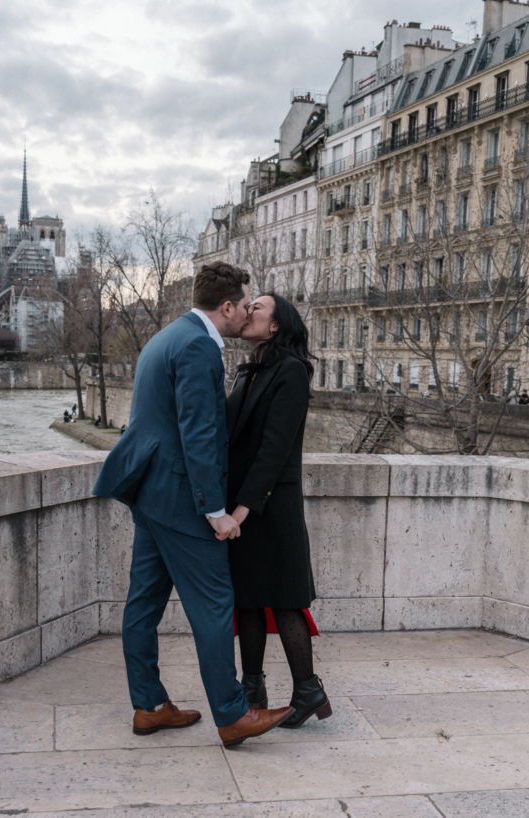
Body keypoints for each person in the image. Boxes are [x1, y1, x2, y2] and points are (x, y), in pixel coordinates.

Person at [91, 262, 294, 748]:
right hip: (182, 499)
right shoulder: (201, 346)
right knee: (213, 602)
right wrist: (214, 510)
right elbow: (198, 435)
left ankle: (149, 706)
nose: (247, 312)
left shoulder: (166, 337)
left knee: (143, 603)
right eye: (245, 305)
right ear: (226, 307)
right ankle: (231, 714)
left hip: (151, 493)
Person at [225, 294, 330, 728]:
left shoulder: (290, 370)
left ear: (276, 326)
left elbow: (274, 449)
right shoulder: (248, 371)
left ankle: (308, 690)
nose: (248, 310)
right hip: (242, 504)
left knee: (285, 600)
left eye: (258, 307)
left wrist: (243, 509)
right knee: (248, 600)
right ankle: (253, 690)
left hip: (270, 505)